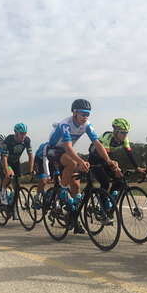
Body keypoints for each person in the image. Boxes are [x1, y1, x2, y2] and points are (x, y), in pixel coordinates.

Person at [46, 99, 120, 233]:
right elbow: (68, 147)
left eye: (88, 114)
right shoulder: (65, 124)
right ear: (74, 113)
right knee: (73, 162)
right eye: (83, 113)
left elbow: (97, 143)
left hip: (67, 153)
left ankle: (74, 219)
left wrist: (109, 161)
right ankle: (62, 191)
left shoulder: (87, 124)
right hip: (53, 149)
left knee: (76, 185)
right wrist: (81, 161)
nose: (85, 117)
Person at [88, 118, 147, 198]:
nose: (125, 135)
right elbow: (106, 156)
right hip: (95, 160)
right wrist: (116, 168)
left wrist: (137, 167)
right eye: (123, 132)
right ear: (115, 131)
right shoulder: (107, 137)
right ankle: (104, 206)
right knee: (105, 183)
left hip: (105, 160)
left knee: (120, 179)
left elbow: (129, 154)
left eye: (127, 132)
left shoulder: (124, 139)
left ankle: (110, 200)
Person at [0, 123, 34, 206]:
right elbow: (4, 158)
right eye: (21, 134)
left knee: (17, 185)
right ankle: (2, 193)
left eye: (25, 134)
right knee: (9, 175)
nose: (23, 136)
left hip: (16, 162)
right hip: (6, 161)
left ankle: (14, 204)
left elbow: (30, 155)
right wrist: (7, 171)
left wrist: (31, 169)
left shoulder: (27, 140)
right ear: (16, 133)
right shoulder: (9, 139)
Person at [33, 141, 54, 209]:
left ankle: (52, 198)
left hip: (50, 160)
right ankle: (36, 198)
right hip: (39, 160)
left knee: (57, 179)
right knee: (44, 180)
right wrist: (48, 176)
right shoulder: (47, 147)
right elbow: (45, 163)